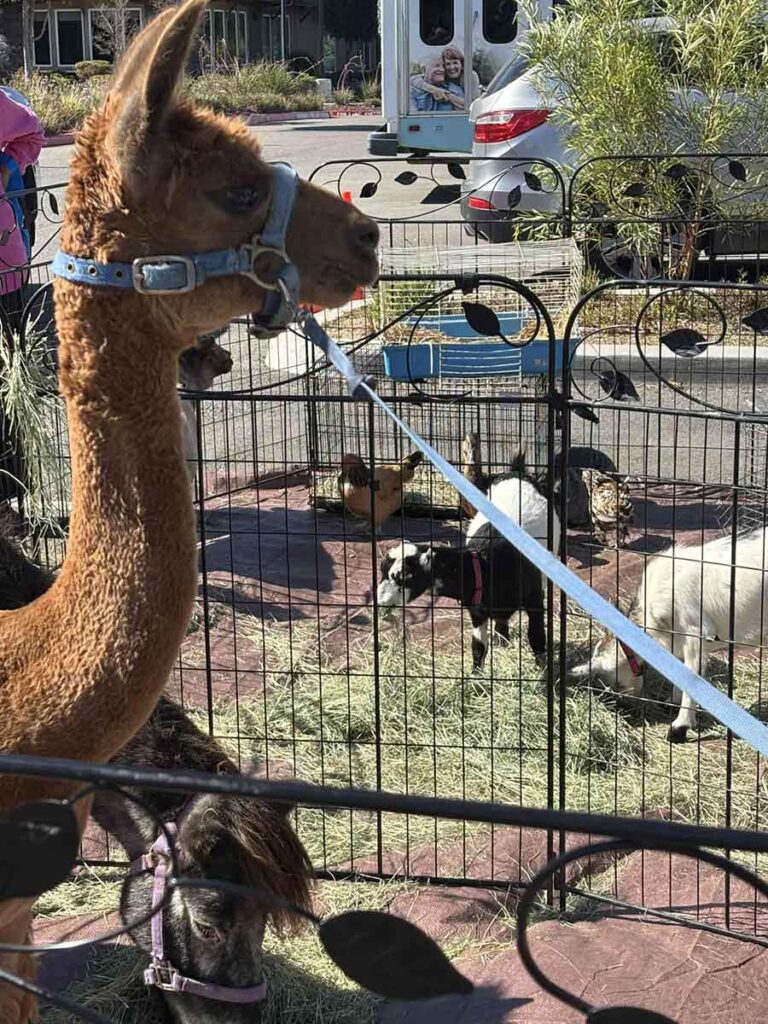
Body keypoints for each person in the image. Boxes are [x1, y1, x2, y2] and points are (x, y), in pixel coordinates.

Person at [0, 88, 45, 506]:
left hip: (2, 268)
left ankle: (9, 498)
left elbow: (31, 133)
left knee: (5, 384)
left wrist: (7, 166)